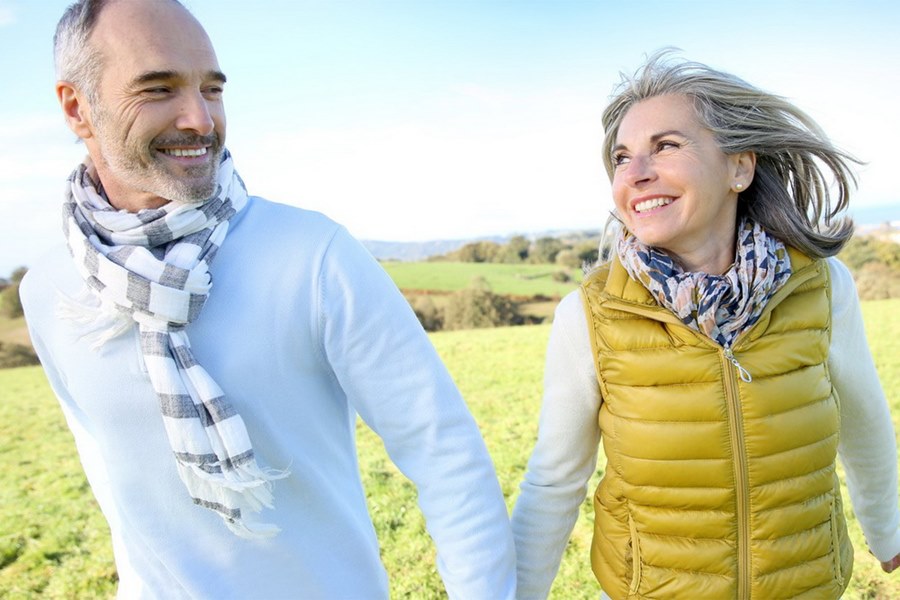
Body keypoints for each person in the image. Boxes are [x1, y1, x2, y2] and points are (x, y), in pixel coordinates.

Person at [19, 0, 516, 598]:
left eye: (212, 89)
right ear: (77, 107)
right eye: (158, 89)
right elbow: (112, 482)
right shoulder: (47, 289)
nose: (200, 119)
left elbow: (445, 454)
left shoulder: (313, 255)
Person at [511, 51, 900, 599]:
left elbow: (864, 422)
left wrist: (888, 529)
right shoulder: (589, 316)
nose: (636, 173)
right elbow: (555, 479)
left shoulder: (820, 285)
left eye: (666, 145)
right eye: (622, 157)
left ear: (739, 167)